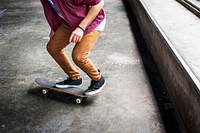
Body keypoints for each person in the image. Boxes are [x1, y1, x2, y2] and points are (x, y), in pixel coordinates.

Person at [40, 0, 106, 95]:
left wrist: (81, 28)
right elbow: (54, 9)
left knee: (79, 56)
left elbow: (99, 3)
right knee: (53, 48)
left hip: (92, 22)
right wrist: (54, 28)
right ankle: (74, 78)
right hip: (71, 21)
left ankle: (98, 79)